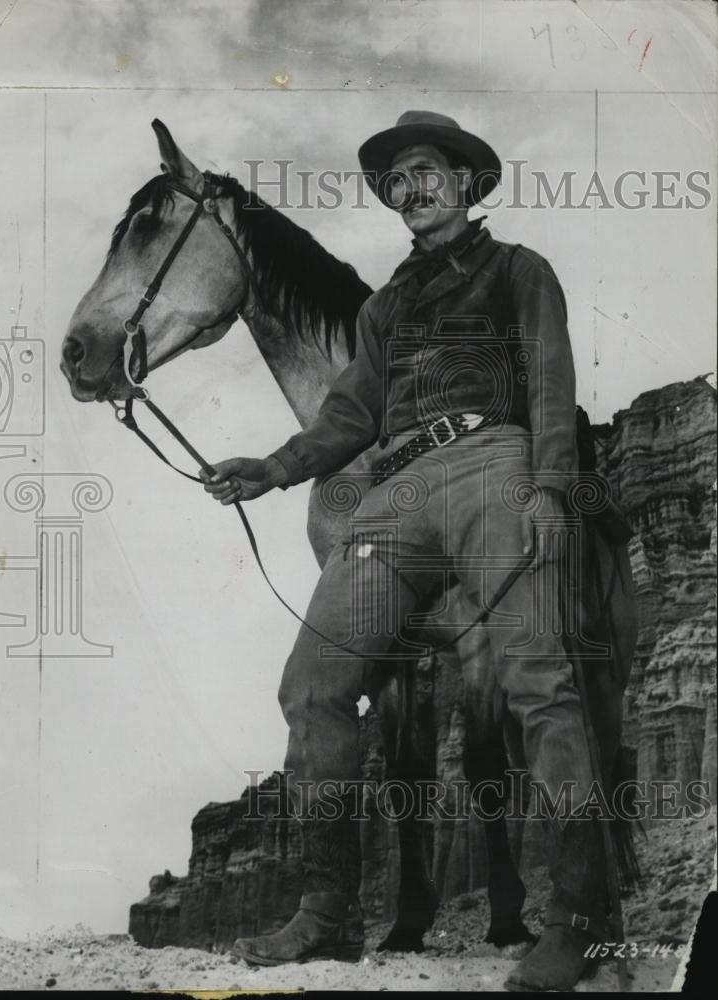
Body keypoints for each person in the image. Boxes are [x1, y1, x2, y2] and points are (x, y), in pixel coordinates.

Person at [201, 111, 610, 991]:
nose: (406, 189)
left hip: (494, 460)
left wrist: (546, 488)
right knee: (312, 685)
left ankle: (582, 916)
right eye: (392, 182)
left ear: (464, 183)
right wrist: (272, 468)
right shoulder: (386, 307)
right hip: (393, 488)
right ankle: (328, 913)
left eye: (422, 171)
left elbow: (549, 378)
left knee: (537, 670)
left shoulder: (516, 270)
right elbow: (348, 416)